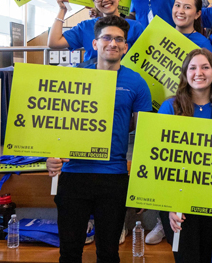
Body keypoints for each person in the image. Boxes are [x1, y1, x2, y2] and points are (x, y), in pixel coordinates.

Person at [46, 16, 152, 263]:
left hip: (113, 177)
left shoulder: (137, 83)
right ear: (94, 44)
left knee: (108, 253)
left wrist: (142, 185)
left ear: (125, 47)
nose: (112, 43)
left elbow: (146, 136)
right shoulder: (75, 77)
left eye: (119, 39)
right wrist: (50, 155)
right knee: (69, 252)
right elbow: (55, 122)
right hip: (74, 174)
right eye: (106, 37)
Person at [157, 48, 212, 262]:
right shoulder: (170, 107)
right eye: (193, 68)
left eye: (205, 67)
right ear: (185, 73)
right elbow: (159, 159)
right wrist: (170, 206)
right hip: (179, 201)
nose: (199, 73)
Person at [49, 0, 144, 63]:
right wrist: (62, 10)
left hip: (123, 81)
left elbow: (144, 58)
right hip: (93, 80)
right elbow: (54, 42)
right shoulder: (85, 27)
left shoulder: (135, 27)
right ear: (94, 2)